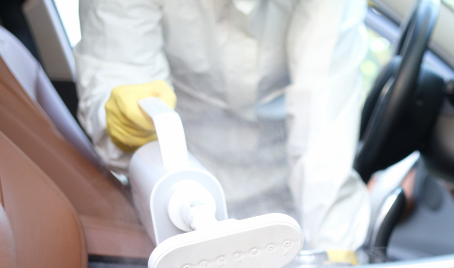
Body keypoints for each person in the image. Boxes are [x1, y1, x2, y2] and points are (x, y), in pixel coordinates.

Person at [74, 0, 371, 252]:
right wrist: (130, 126)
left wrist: (336, 248)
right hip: (183, 191)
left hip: (288, 194)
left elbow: (323, 121)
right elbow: (120, 71)